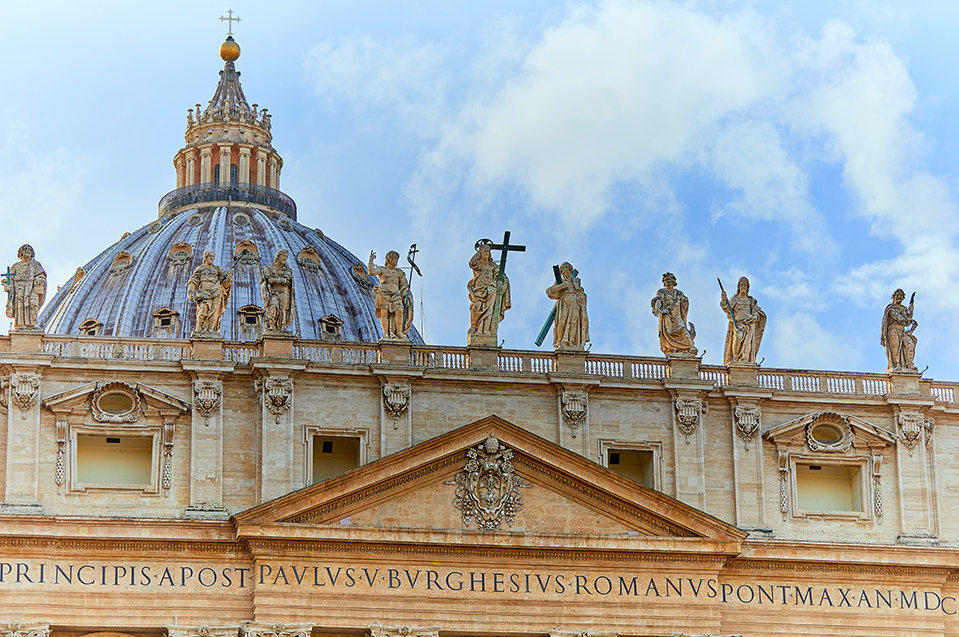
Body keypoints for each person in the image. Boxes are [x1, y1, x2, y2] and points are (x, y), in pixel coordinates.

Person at [467, 243, 510, 339]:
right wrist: (478, 252)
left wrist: (503, 283)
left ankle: (486, 329)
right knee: (476, 307)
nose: (486, 253)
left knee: (490, 309)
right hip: (478, 289)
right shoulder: (478, 264)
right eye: (484, 251)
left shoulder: (493, 265)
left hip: (491, 289)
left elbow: (501, 275)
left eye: (488, 251)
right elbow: (472, 263)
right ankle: (475, 328)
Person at [721, 276, 766, 365]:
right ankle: (737, 358)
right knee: (737, 339)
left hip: (749, 325)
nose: (743, 287)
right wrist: (724, 299)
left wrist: (754, 317)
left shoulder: (751, 300)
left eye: (745, 285)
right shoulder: (735, 299)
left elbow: (756, 312)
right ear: (739, 287)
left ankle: (744, 361)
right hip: (738, 324)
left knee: (747, 345)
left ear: (748, 287)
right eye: (741, 285)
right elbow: (727, 308)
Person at [368, 250, 412, 340]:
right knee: (384, 314)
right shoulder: (382, 270)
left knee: (399, 311)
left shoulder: (399, 272)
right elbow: (371, 272)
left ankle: (399, 332)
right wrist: (371, 261)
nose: (396, 261)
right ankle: (386, 334)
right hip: (383, 293)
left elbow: (404, 285)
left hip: (396, 295)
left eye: (397, 259)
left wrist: (405, 296)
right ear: (389, 259)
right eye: (395, 259)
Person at [187, 250, 232, 336]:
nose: (212, 258)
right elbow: (194, 281)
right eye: (210, 256)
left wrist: (229, 277)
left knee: (215, 313)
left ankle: (212, 330)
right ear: (205, 257)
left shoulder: (217, 269)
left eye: (213, 257)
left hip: (217, 292)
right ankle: (200, 329)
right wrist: (190, 291)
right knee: (204, 308)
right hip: (204, 293)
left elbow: (225, 284)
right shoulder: (201, 269)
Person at [651, 272, 697, 355]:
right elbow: (659, 300)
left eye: (669, 279)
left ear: (674, 281)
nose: (668, 281)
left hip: (677, 315)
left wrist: (684, 302)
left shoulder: (679, 293)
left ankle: (689, 346)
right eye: (666, 280)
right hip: (667, 315)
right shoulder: (662, 291)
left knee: (682, 328)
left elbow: (685, 302)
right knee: (668, 332)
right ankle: (672, 349)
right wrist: (657, 308)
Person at [546, 262, 589, 349]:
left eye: (567, 268)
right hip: (564, 300)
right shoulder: (560, 282)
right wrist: (562, 286)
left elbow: (581, 293)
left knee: (574, 322)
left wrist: (581, 298)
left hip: (575, 302)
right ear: (561, 272)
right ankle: (559, 341)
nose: (566, 270)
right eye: (564, 269)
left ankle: (571, 341)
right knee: (562, 321)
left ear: (571, 271)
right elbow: (550, 291)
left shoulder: (576, 282)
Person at [3, 244, 46, 330]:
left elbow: (41, 276)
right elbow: (9, 279)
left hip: (32, 288)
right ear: (20, 253)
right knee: (20, 307)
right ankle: (21, 324)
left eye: (29, 250)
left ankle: (33, 323)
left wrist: (39, 279)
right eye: (25, 249)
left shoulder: (36, 265)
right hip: (19, 288)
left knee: (33, 304)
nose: (27, 251)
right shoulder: (16, 266)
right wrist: (8, 285)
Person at [881, 288, 918, 372]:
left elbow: (907, 321)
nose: (899, 297)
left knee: (910, 344)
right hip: (893, 329)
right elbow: (898, 318)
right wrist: (908, 319)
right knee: (895, 348)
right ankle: (896, 365)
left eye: (901, 296)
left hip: (902, 331)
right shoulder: (891, 308)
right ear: (893, 297)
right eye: (897, 295)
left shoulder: (904, 309)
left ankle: (909, 365)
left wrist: (911, 312)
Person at [261, 250, 295, 332]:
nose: (285, 258)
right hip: (274, 293)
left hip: (284, 293)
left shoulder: (287, 270)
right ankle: (271, 325)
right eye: (283, 256)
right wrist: (279, 280)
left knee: (282, 311)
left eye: (286, 257)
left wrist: (274, 280)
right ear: (278, 256)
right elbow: (266, 280)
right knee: (273, 305)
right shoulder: (270, 268)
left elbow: (286, 280)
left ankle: (279, 328)